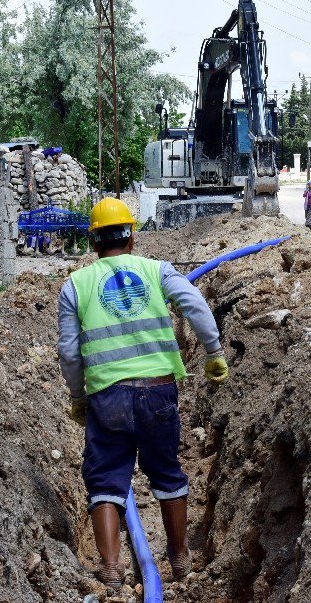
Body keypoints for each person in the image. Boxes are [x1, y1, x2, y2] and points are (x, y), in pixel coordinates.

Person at [57, 197, 229, 589]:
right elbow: (195, 305)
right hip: (157, 393)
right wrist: (213, 352)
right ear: (131, 236)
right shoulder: (157, 271)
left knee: (105, 479)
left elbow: (68, 351)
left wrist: (77, 396)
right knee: (167, 473)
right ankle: (181, 559)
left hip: (107, 397)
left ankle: (112, 569)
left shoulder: (76, 286)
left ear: (93, 242)